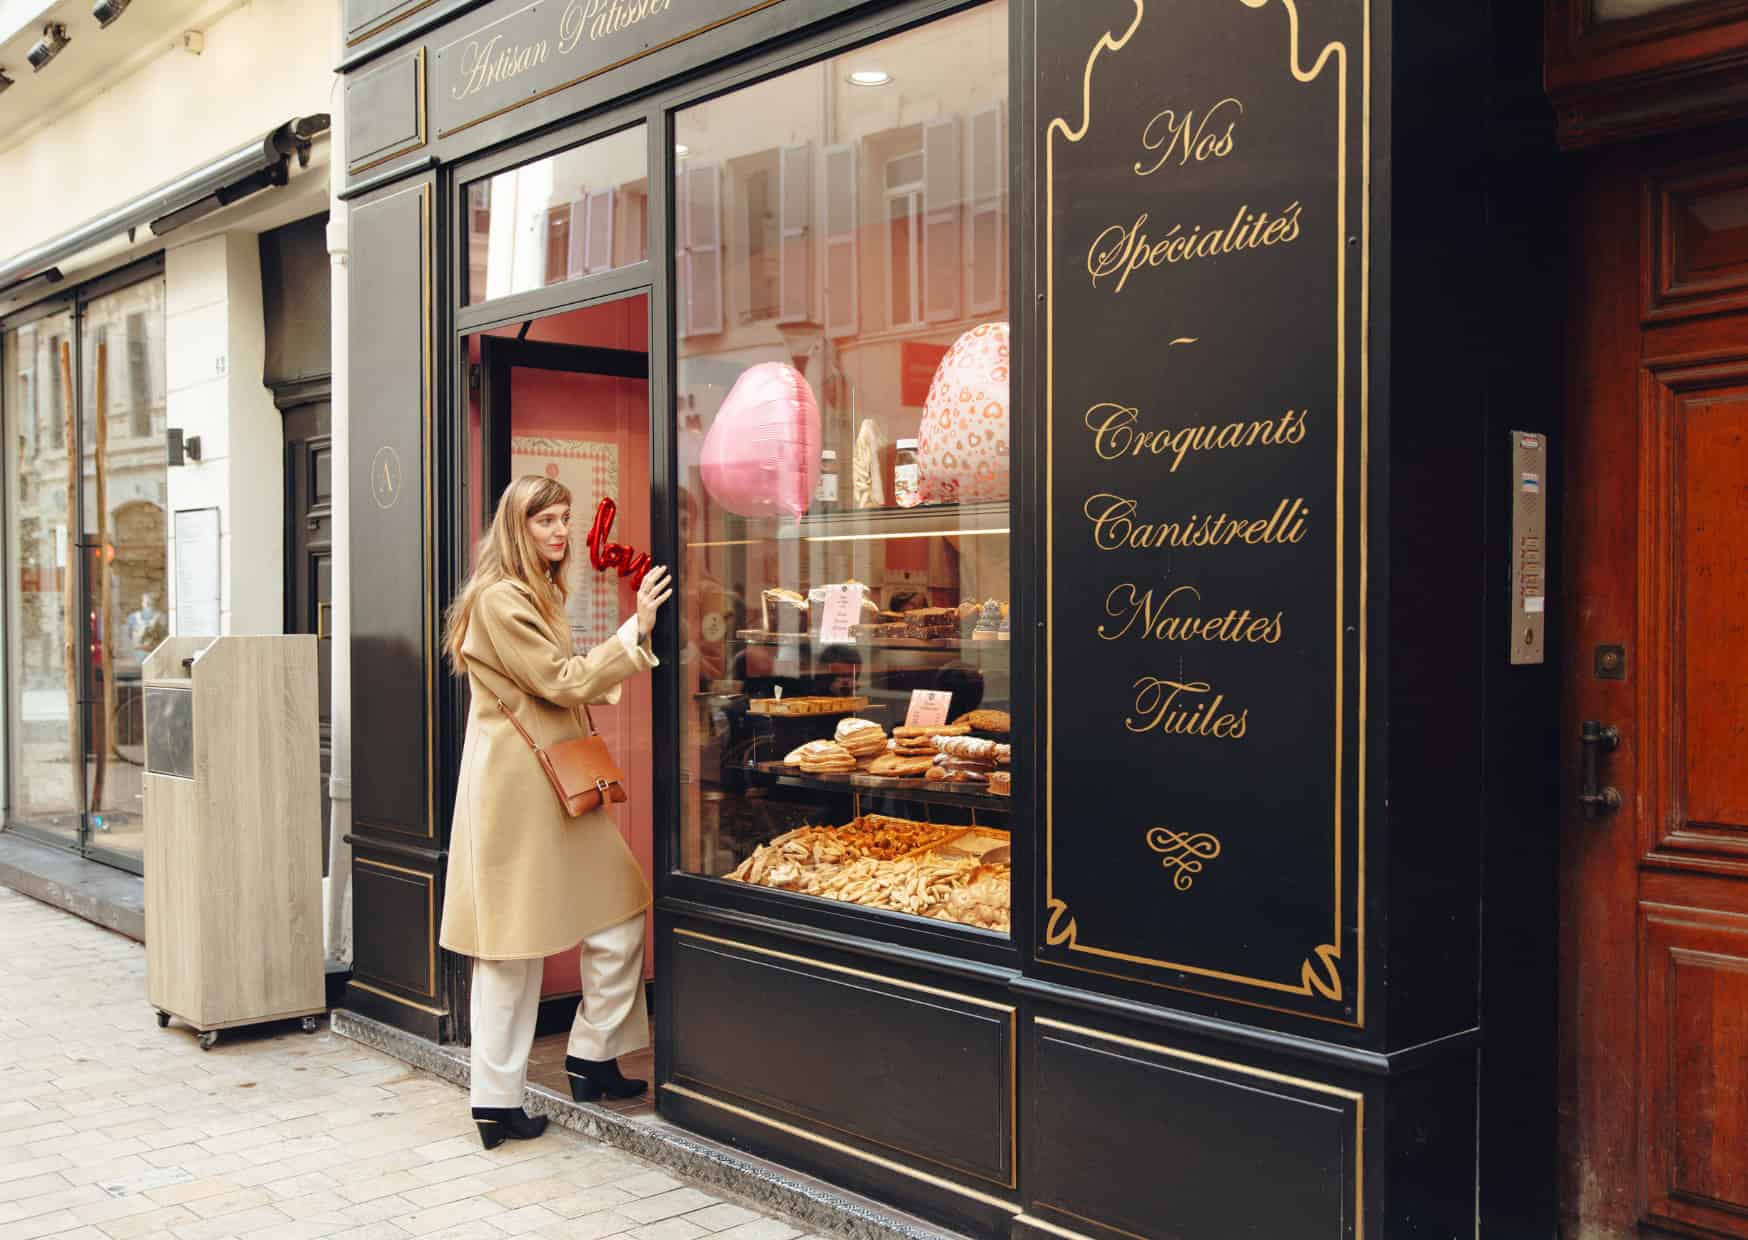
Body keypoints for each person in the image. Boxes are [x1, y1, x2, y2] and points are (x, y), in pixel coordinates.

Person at [438, 475, 672, 1151]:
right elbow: (560, 679)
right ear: (518, 525)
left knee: (620, 905)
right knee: (512, 945)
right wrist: (635, 633)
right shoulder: (501, 599)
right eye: (547, 522)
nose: (561, 533)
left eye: (566, 520)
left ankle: (592, 1054)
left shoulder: (532, 592)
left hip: (552, 781)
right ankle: (495, 1101)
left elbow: (558, 680)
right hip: (518, 790)